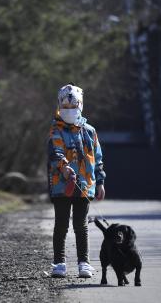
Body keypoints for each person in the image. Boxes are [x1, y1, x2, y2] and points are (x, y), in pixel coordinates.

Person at [47, 83, 106, 278]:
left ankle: (84, 263)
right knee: (61, 224)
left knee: (81, 225)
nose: (69, 110)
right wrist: (64, 168)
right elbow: (55, 153)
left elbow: (97, 158)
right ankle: (59, 263)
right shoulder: (56, 130)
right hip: (61, 185)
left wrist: (100, 182)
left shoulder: (89, 131)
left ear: (80, 106)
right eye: (66, 107)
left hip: (85, 185)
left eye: (73, 107)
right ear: (59, 106)